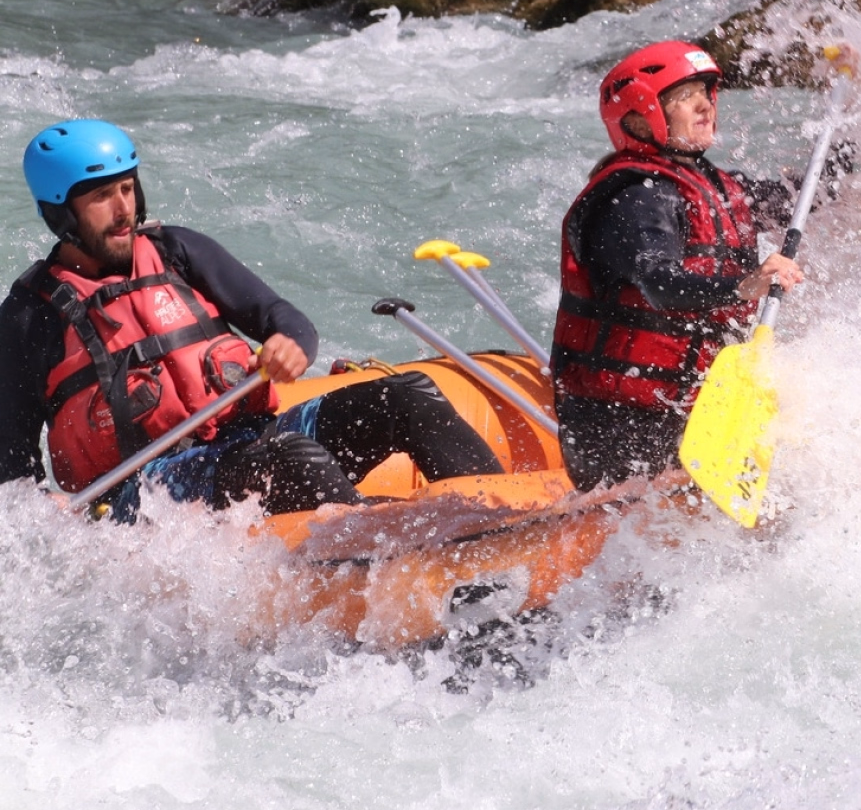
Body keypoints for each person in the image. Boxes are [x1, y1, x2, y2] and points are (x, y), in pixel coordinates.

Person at [0, 120, 504, 518]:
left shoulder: (177, 250)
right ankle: (386, 566)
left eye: (128, 189)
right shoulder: (30, 315)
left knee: (405, 395)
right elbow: (10, 462)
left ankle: (504, 517)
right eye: (101, 197)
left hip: (252, 434)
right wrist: (45, 511)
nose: (123, 210)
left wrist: (292, 343)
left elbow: (283, 318)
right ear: (61, 214)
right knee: (291, 458)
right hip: (148, 489)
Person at [551, 41, 805, 490]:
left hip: (691, 412)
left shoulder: (714, 184)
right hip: (621, 430)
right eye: (685, 97)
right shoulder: (634, 198)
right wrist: (746, 285)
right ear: (638, 116)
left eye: (706, 93)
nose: (705, 105)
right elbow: (659, 284)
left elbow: (802, 195)